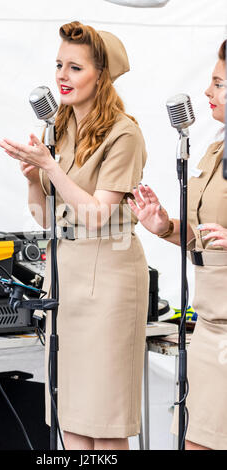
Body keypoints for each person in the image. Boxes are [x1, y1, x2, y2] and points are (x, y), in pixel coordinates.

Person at [0, 21, 149, 451]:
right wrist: (33, 178)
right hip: (67, 275)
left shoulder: (124, 133)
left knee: (105, 420)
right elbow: (47, 217)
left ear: (101, 75)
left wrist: (51, 167)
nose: (62, 76)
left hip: (111, 277)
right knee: (71, 415)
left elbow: (98, 215)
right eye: (59, 65)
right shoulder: (59, 129)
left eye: (75, 68)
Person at [127, 40, 227, 451]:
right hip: (209, 323)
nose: (206, 92)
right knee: (192, 439)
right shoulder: (216, 149)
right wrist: (164, 225)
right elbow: (206, 232)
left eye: (218, 83)